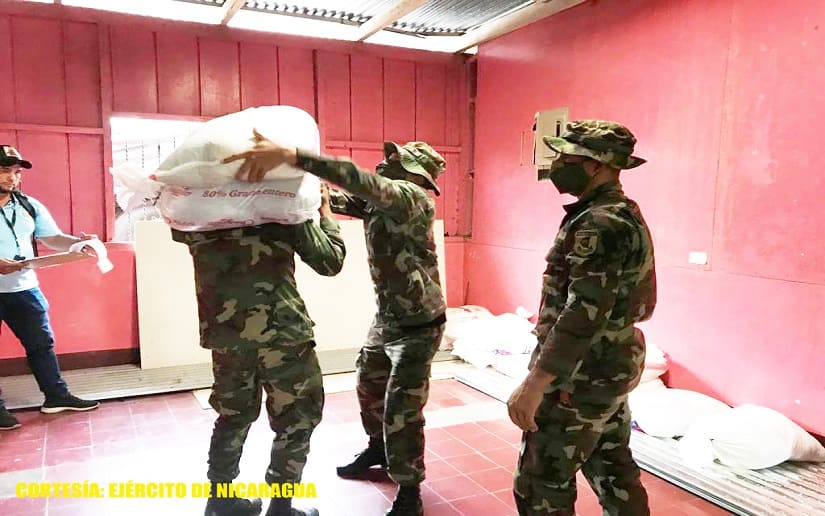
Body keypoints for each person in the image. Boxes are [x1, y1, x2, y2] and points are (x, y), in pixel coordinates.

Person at [225, 133, 447, 516]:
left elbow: (359, 181)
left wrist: (296, 156)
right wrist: (304, 192)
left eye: (395, 160)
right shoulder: (382, 202)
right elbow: (343, 199)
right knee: (369, 387)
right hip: (388, 319)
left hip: (419, 324)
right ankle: (378, 450)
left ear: (413, 172)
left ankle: (410, 490)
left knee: (402, 410)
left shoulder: (411, 198)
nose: (385, 162)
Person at [507, 120, 656, 516]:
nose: (557, 164)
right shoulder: (615, 212)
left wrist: (537, 382)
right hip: (606, 367)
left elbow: (583, 312)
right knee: (613, 471)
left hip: (579, 374)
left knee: (541, 484)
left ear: (599, 165)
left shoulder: (599, 223)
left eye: (567, 157)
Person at [172, 183, 345, 516]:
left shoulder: (200, 210)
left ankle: (220, 501)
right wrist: (324, 211)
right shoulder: (282, 207)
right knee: (295, 419)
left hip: (227, 335)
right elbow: (330, 261)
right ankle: (281, 507)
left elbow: (178, 229)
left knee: (232, 416)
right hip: (282, 334)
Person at [0, 145, 100, 431]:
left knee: (42, 344)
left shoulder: (28, 205)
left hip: (24, 288)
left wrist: (79, 243)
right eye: (5, 170)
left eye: (16, 172)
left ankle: (56, 396)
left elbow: (52, 238)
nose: (13, 178)